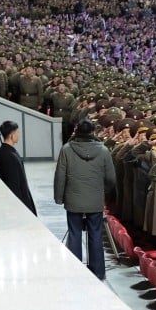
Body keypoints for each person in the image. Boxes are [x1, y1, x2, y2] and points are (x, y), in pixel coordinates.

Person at [54, 118, 116, 280]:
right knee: (95, 234)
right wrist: (103, 191)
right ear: (93, 132)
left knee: (74, 234)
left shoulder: (67, 149)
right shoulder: (103, 150)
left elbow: (60, 176)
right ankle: (98, 272)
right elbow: (111, 177)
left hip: (73, 199)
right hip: (95, 199)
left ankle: (75, 272)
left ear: (76, 131)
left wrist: (59, 197)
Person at [0, 120, 37, 215]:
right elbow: (14, 185)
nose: (18, 135)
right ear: (11, 135)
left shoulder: (6, 151)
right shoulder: (7, 155)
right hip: (20, 205)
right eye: (17, 132)